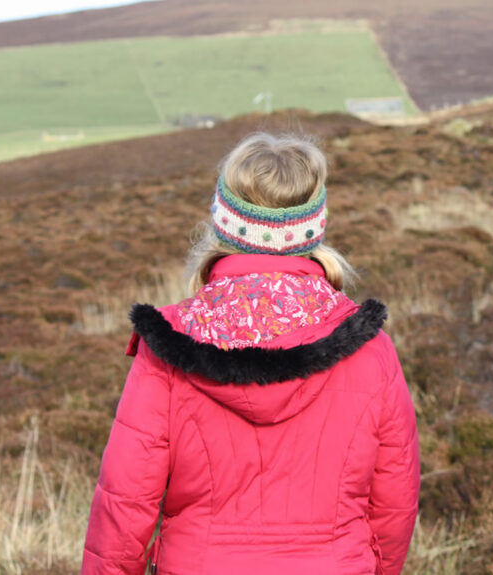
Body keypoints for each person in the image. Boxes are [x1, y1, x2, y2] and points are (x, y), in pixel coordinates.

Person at [82, 133, 420, 575]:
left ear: (223, 225)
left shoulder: (170, 343)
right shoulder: (368, 346)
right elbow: (395, 497)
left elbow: (126, 501)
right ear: (314, 229)